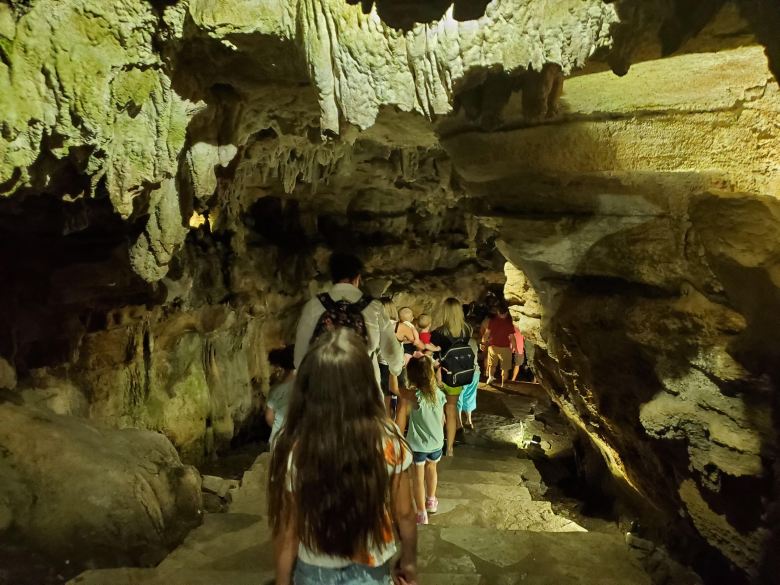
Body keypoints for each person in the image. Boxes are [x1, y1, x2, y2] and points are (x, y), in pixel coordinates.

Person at [268, 329, 418, 585]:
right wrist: (409, 560)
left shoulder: (294, 445)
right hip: (371, 567)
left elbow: (288, 531)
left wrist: (283, 580)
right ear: (365, 382)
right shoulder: (388, 439)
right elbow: (404, 513)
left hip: (314, 568)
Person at [293, 252, 404, 391]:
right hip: (364, 388)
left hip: (325, 390)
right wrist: (396, 369)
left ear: (333, 277)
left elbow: (299, 358)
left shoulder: (313, 306)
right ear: (357, 278)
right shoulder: (373, 307)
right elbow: (391, 350)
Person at [398, 355, 446, 526]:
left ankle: (421, 513)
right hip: (437, 442)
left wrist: (394, 369)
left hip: (418, 445)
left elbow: (394, 388)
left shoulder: (415, 395)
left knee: (418, 478)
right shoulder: (439, 394)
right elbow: (442, 419)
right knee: (432, 469)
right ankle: (431, 501)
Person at [430, 298, 477, 457]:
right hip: (457, 376)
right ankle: (449, 448)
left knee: (438, 411)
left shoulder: (438, 333)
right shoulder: (467, 330)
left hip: (440, 376)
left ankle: (436, 443)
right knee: (451, 410)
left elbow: (433, 355)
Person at [265, 345, 295, 448]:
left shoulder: (275, 390)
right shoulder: (301, 382)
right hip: (296, 436)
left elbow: (269, 417)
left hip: (277, 438)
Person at [378, 298, 403, 417]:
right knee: (402, 401)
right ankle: (398, 428)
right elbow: (416, 341)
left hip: (382, 365)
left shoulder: (376, 326)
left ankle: (386, 430)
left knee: (385, 401)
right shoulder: (399, 326)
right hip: (397, 365)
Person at [484, 304, 514, 387]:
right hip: (505, 348)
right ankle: (503, 383)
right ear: (507, 313)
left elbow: (486, 334)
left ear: (497, 312)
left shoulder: (492, 321)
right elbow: (512, 337)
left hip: (493, 347)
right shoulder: (509, 323)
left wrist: (483, 343)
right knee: (505, 368)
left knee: (492, 365)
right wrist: (514, 347)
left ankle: (490, 378)